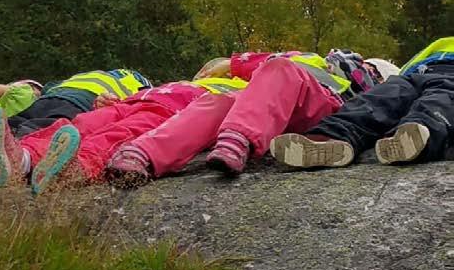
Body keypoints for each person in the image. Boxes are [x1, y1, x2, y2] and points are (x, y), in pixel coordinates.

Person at [104, 48, 384, 180]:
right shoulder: (303, 61)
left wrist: (232, 63)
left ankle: (237, 139)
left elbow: (272, 64)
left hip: (322, 107)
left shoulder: (355, 68)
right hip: (272, 111)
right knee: (218, 102)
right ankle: (143, 154)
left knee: (279, 70)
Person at [0, 72, 247, 194]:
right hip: (132, 103)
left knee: (116, 136)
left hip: (169, 116)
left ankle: (75, 168)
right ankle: (21, 158)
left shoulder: (240, 87)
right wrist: (110, 101)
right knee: (79, 124)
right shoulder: (182, 82)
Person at [270, 40, 453, 168]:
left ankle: (415, 136)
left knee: (439, 101)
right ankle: (329, 137)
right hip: (413, 74)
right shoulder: (437, 46)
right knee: (380, 97)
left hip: (448, 76)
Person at [0, 68, 152, 188]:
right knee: (23, 125)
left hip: (77, 103)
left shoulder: (137, 82)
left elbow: (134, 107)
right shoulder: (135, 84)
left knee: (37, 126)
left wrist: (105, 103)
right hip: (59, 100)